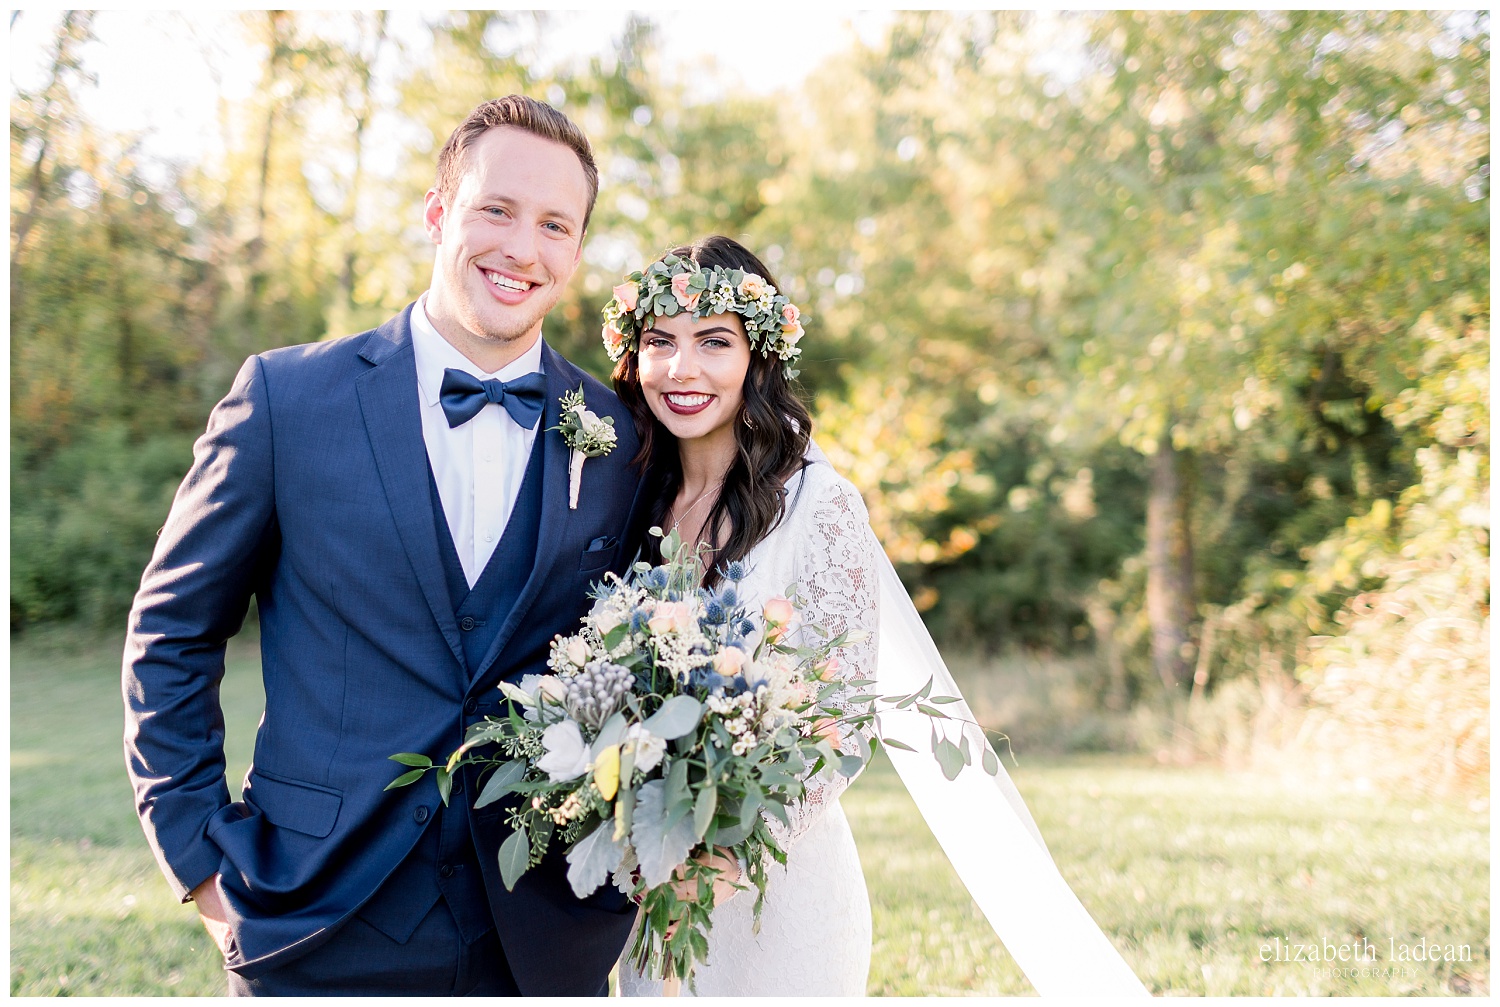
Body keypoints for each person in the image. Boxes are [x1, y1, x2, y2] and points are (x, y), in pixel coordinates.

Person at [122, 95, 644, 996]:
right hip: (312, 917)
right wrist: (206, 870)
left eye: (555, 223)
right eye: (497, 209)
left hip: (540, 936)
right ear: (438, 214)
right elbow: (170, 633)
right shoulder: (287, 400)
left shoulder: (619, 433)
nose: (523, 247)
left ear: (577, 251)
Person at [602, 236, 1152, 997]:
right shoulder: (623, 503)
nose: (682, 368)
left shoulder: (820, 507)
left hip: (777, 896)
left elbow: (841, 720)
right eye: (660, 340)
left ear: (759, 357)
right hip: (646, 893)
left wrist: (731, 858)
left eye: (714, 342)